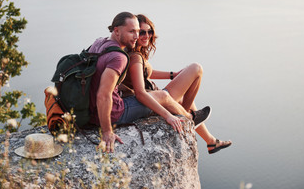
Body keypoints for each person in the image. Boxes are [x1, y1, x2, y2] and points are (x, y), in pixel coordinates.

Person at [88, 12, 210, 153]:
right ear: (116, 30)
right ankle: (189, 120)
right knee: (167, 93)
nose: (136, 36)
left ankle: (208, 138)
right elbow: (104, 95)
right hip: (116, 112)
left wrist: (172, 75)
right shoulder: (120, 57)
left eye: (138, 32)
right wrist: (107, 131)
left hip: (92, 110)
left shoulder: (99, 43)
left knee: (175, 96)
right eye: (132, 32)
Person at [119, 14, 232, 154]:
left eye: (149, 31)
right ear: (134, 32)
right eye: (142, 32)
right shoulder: (134, 56)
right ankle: (186, 116)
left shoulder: (133, 52)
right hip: (150, 100)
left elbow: (145, 73)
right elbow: (140, 88)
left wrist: (172, 75)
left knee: (186, 91)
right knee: (196, 69)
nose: (146, 35)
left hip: (149, 97)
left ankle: (211, 142)